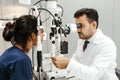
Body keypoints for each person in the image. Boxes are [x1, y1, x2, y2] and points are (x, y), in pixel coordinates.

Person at [51, 8, 119, 80]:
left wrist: (68, 64)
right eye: (77, 26)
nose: (78, 30)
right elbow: (76, 60)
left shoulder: (106, 45)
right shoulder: (82, 41)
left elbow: (94, 75)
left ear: (94, 25)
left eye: (81, 26)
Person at [0, 15, 44, 80]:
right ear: (33, 35)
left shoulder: (11, 53)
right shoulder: (21, 60)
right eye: (42, 32)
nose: (44, 35)